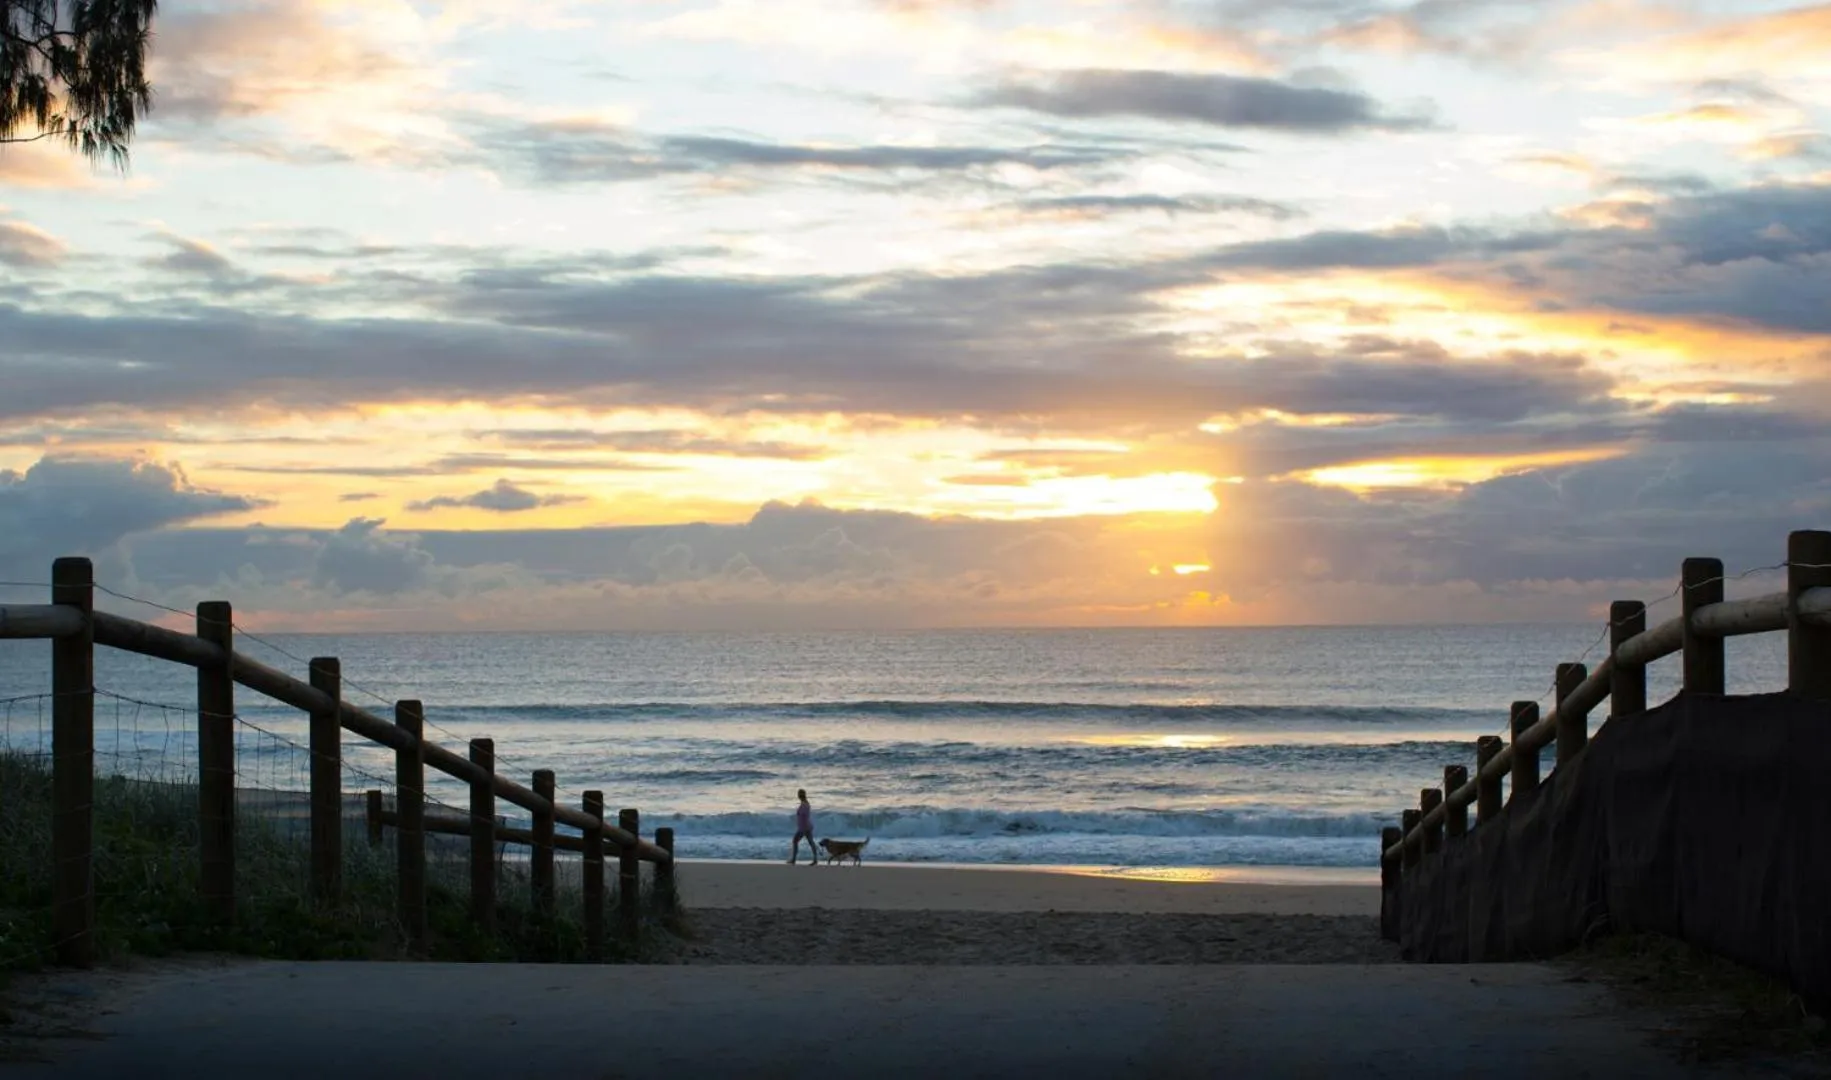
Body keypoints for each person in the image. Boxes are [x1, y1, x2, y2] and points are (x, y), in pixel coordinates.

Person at [788, 789, 818, 866]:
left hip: (804, 827)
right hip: (806, 826)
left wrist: (803, 829)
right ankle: (815, 859)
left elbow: (804, 817)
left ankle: (794, 859)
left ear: (800, 795)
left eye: (798, 794)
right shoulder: (805, 803)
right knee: (811, 842)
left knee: (795, 841)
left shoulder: (804, 804)